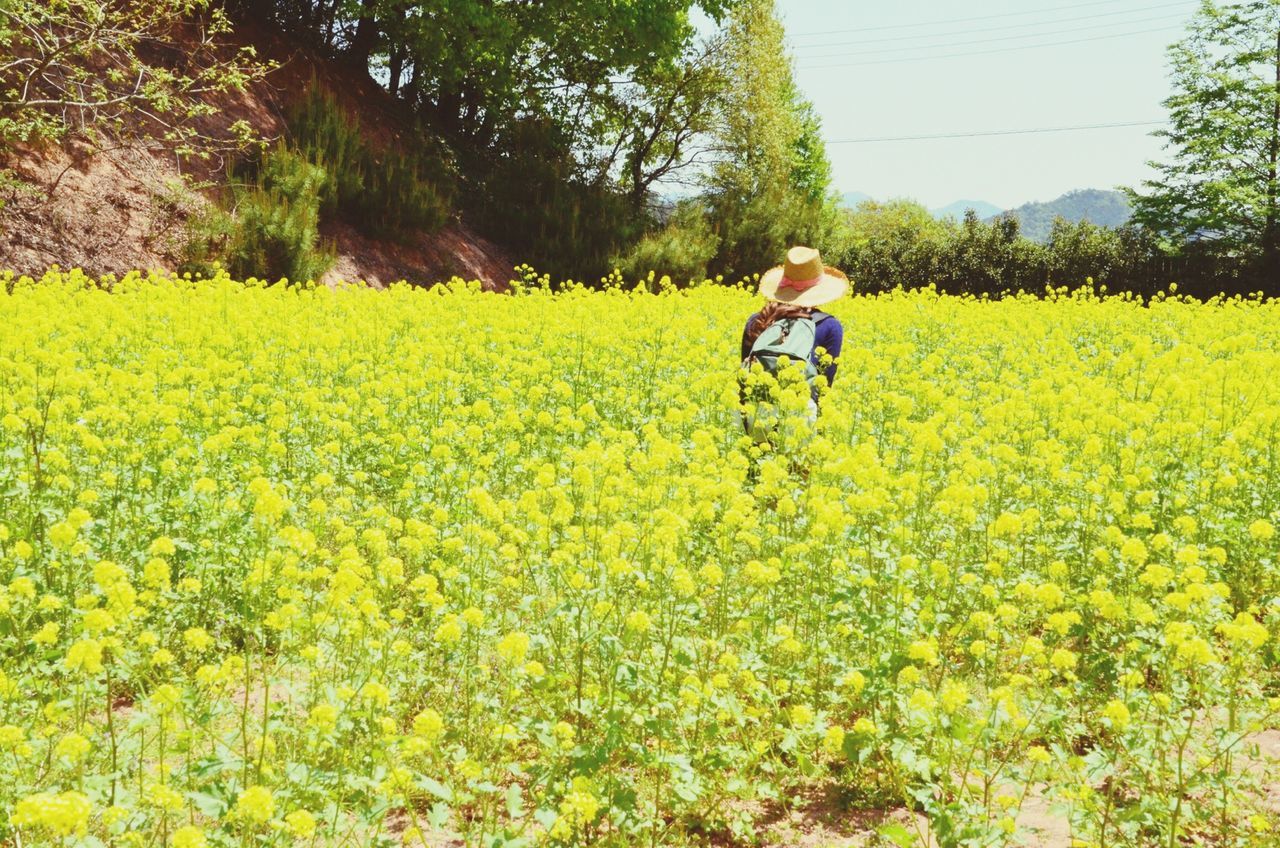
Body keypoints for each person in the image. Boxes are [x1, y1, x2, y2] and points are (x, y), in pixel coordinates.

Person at [739, 246, 848, 440]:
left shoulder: (756, 320)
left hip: (755, 416)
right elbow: (823, 387)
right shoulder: (829, 326)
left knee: (755, 469)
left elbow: (745, 373)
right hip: (799, 423)